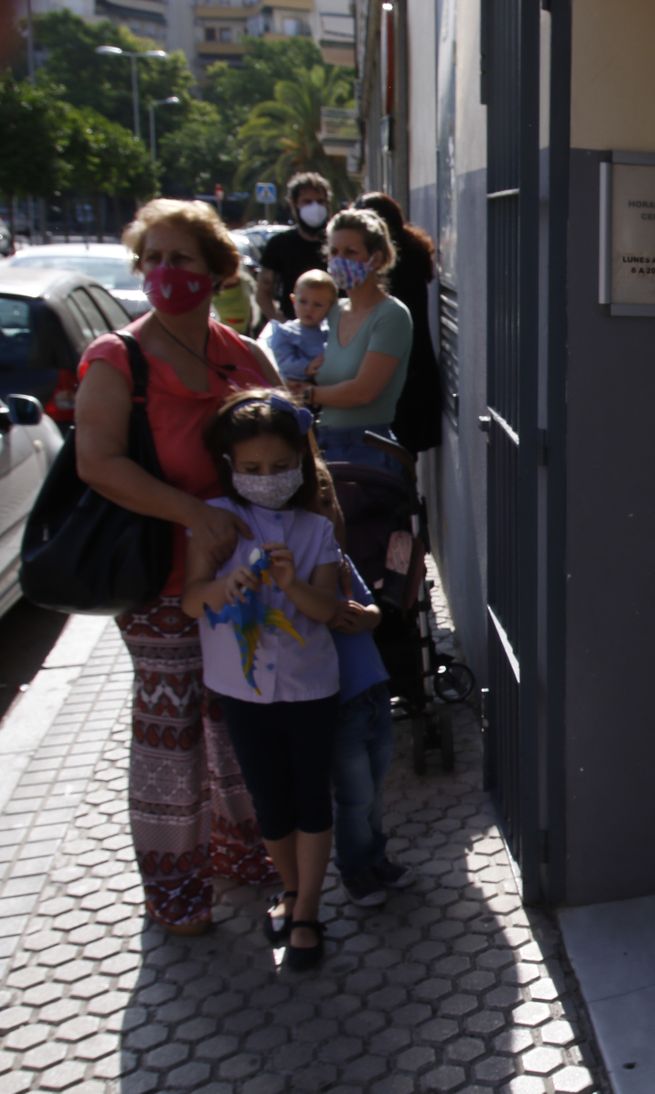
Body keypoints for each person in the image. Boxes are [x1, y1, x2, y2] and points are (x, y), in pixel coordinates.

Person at [74, 199, 281, 934]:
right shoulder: (116, 359)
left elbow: (282, 446)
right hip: (163, 582)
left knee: (240, 719)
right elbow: (98, 463)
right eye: (152, 258)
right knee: (172, 738)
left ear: (217, 270)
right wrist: (194, 513)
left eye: (181, 259)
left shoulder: (243, 356)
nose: (165, 273)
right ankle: (176, 893)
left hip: (246, 579)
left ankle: (247, 852)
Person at [182, 390, 344, 969]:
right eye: (252, 470)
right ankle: (290, 888)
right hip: (242, 689)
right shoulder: (215, 522)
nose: (267, 479)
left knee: (311, 800)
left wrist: (291, 584)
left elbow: (327, 609)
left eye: (279, 468)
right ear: (230, 466)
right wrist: (224, 589)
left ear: (300, 464)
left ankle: (308, 909)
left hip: (309, 688)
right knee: (269, 801)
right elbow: (190, 601)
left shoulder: (315, 528)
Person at [295, 208, 412, 476]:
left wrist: (307, 394)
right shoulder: (332, 312)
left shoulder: (391, 315)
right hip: (324, 442)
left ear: (377, 258)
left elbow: (363, 392)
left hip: (367, 450)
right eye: (334, 252)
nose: (339, 260)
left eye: (350, 252)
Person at [327, 550, 414, 905]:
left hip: (373, 691)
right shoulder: (295, 569)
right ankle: (355, 869)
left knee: (375, 789)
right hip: (340, 701)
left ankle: (376, 859)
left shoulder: (339, 560)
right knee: (355, 795)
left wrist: (366, 617)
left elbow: (372, 608)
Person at [354, 192, 442, 455]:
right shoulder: (414, 254)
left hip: (396, 373)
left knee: (389, 453)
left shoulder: (387, 267)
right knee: (403, 455)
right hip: (416, 370)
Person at [258, 172, 332, 323]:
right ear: (294, 204)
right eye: (307, 202)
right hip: (293, 328)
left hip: (336, 331)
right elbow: (263, 290)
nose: (315, 207)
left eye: (320, 201)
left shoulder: (338, 243)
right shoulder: (279, 244)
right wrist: (280, 322)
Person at [261, 269, 337, 383]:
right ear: (293, 300)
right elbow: (284, 362)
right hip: (297, 389)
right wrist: (307, 367)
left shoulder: (330, 332)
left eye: (318, 305)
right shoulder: (285, 332)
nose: (309, 309)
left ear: (330, 308)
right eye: (303, 301)